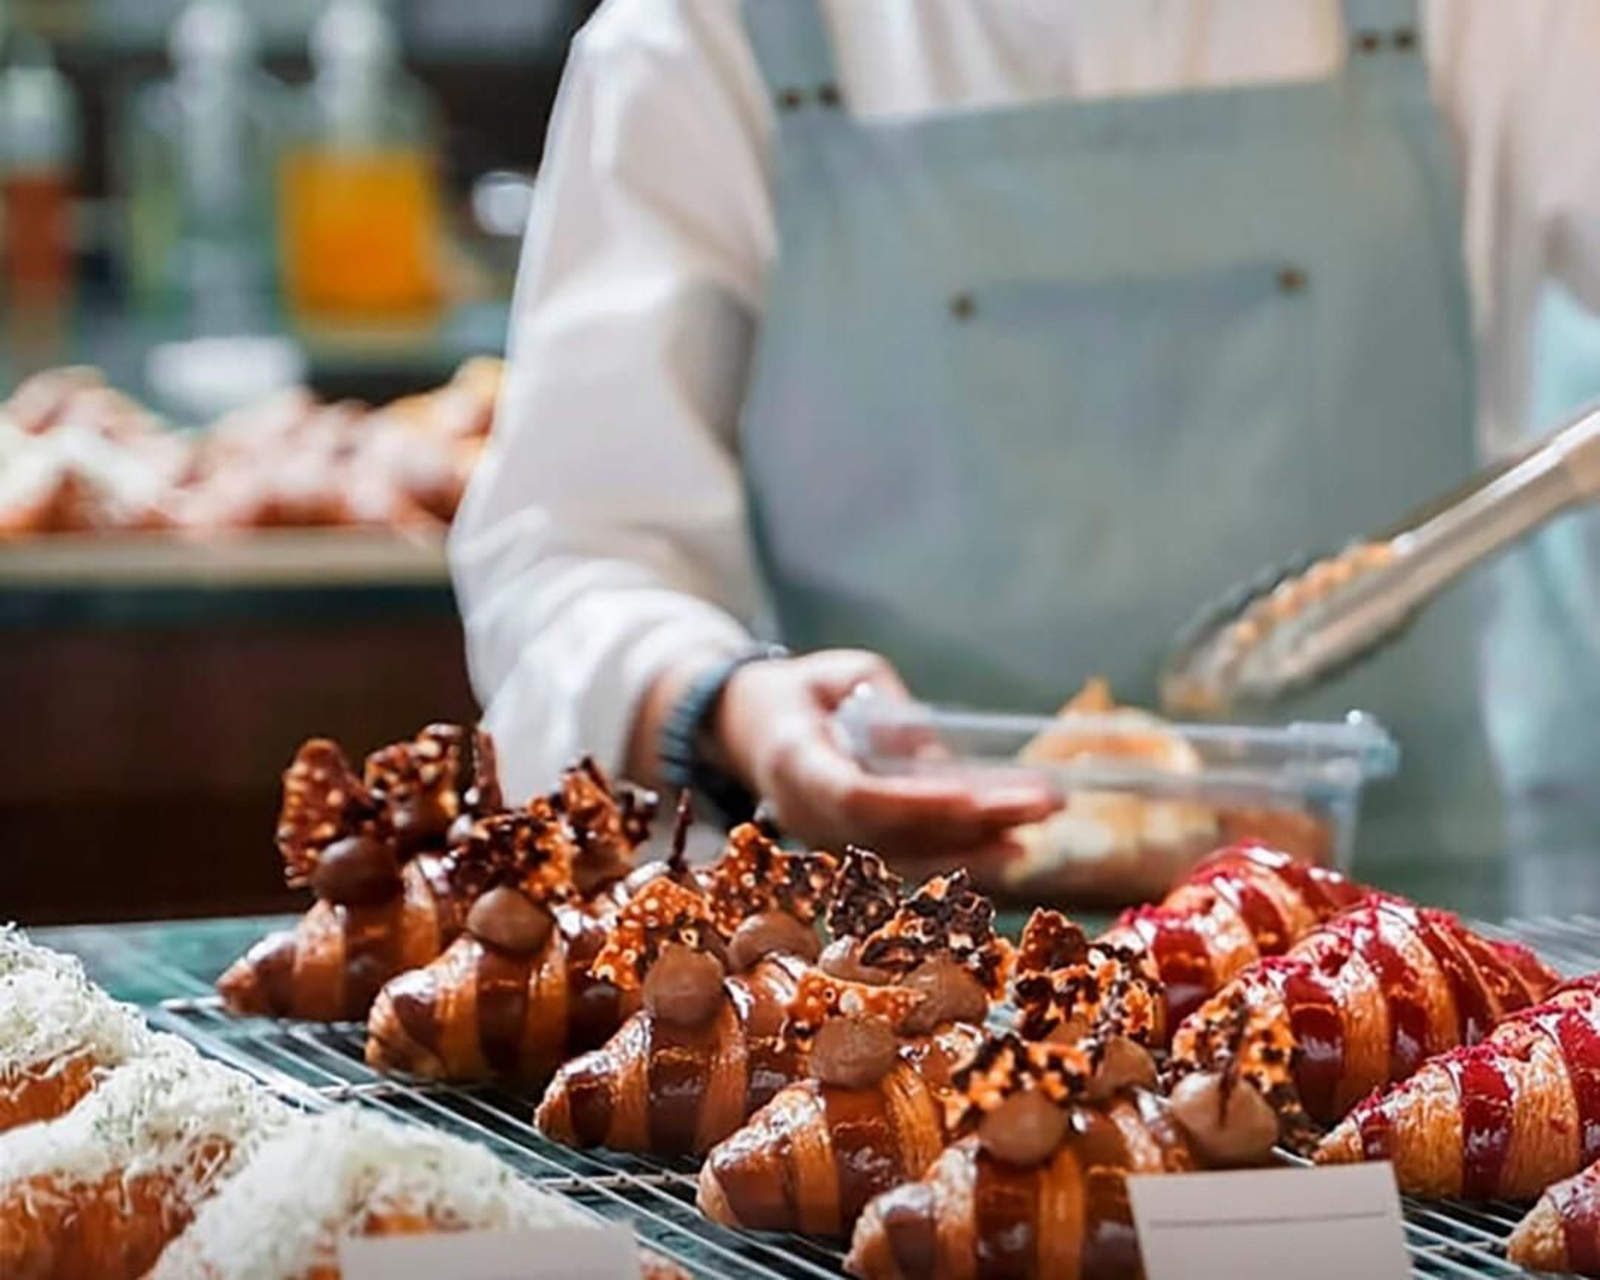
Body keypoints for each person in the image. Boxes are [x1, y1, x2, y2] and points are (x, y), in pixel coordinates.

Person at [452, 0, 1600, 890]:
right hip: (897, 998)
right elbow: (573, 548)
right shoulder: (705, 39)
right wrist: (733, 707)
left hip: (1405, 968)